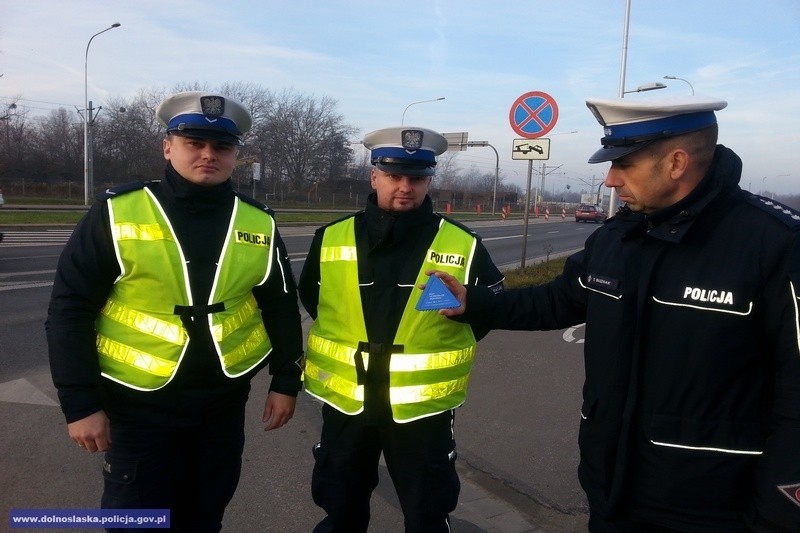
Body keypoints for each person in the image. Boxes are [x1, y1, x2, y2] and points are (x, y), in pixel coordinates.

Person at [431, 96, 800, 532]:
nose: (609, 180)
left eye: (623, 165)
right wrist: (477, 304)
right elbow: (558, 300)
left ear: (676, 162)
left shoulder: (775, 245)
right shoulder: (618, 237)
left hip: (715, 508)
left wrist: (779, 513)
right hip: (610, 492)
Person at [46, 91, 304, 532]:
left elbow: (280, 305)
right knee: (137, 521)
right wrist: (80, 404)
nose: (208, 155)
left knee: (204, 516)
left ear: (235, 156)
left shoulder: (259, 221)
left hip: (221, 406)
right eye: (194, 143)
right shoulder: (117, 211)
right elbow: (69, 310)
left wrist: (285, 381)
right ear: (168, 147)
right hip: (137, 406)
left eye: (221, 147)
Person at [299, 126, 504, 532]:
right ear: (374, 175)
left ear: (429, 181)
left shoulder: (462, 243)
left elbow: (485, 312)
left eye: (417, 178)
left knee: (427, 512)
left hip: (420, 411)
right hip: (347, 404)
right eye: (394, 176)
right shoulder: (330, 238)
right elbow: (313, 299)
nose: (405, 187)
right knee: (340, 508)